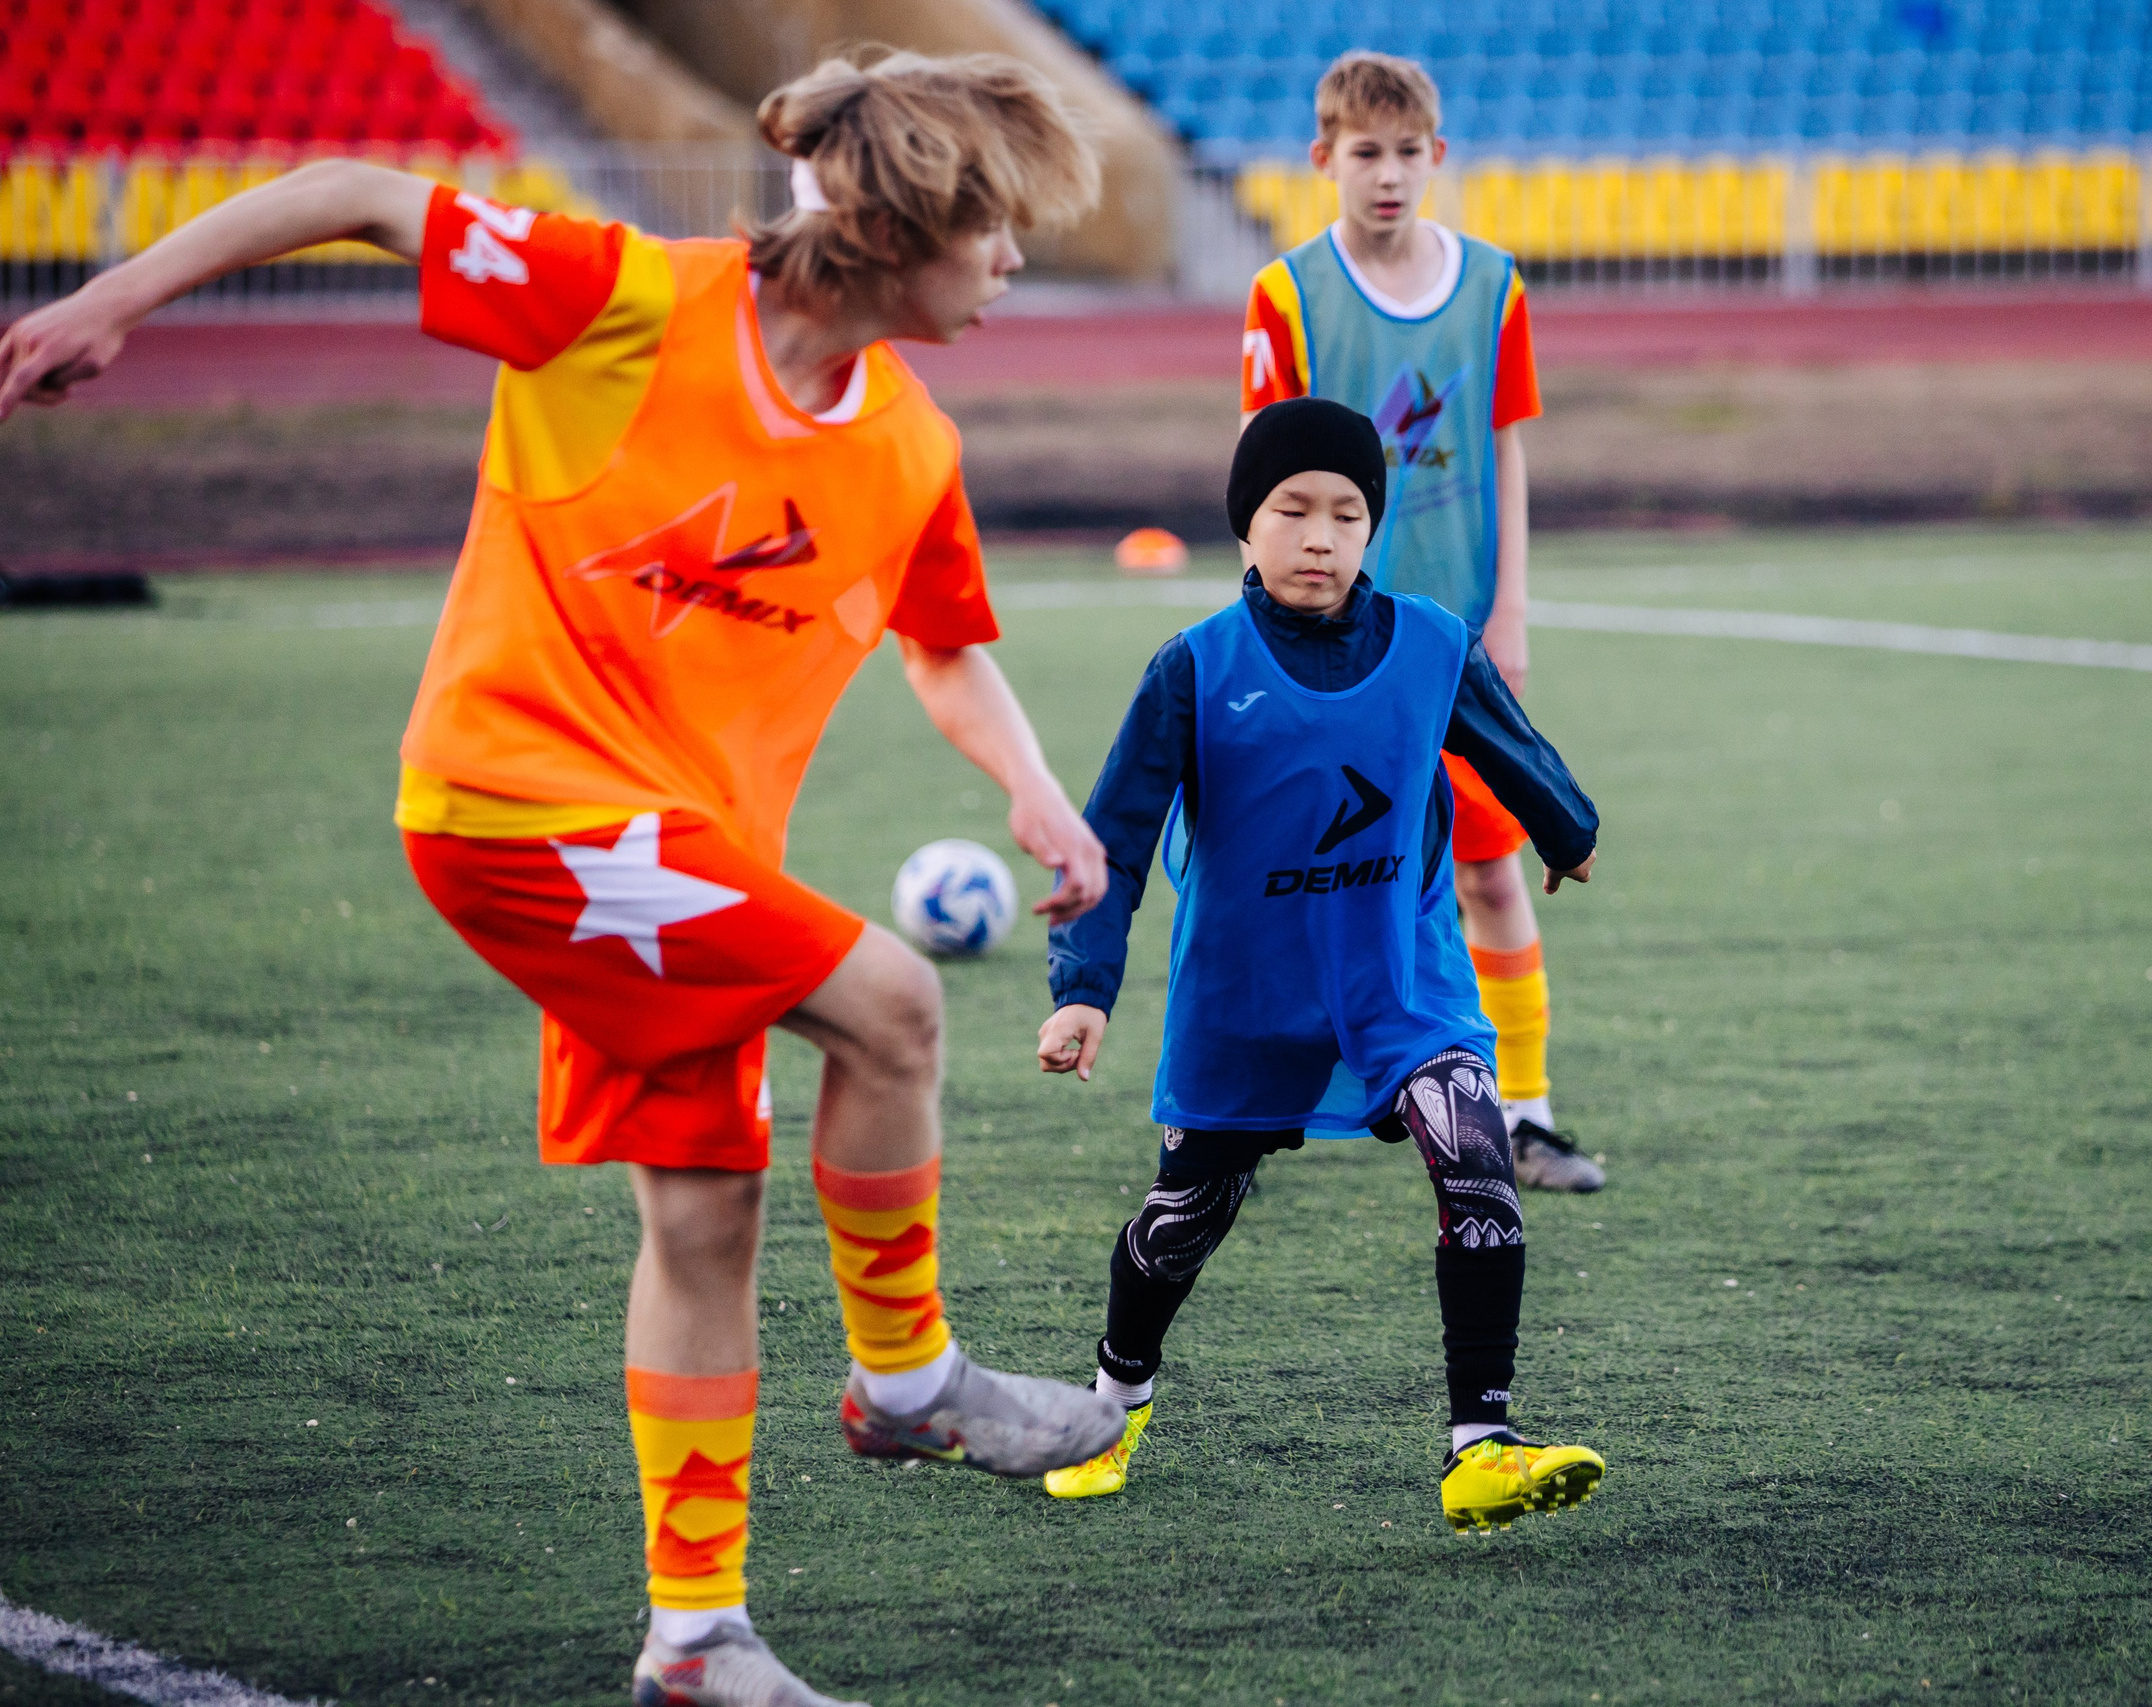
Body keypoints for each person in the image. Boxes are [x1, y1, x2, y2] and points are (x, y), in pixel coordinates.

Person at [0, 50, 1127, 1707]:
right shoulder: (624, 301)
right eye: (1004, 231)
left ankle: (697, 1637)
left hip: (667, 865)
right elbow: (361, 197)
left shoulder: (911, 446)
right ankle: (909, 1380)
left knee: (704, 1216)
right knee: (890, 1004)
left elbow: (948, 648)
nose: (1019, 263)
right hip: (512, 800)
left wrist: (1036, 787)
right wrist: (120, 293)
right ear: (901, 229)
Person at [1034, 399, 1607, 1533]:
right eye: (1291, 510)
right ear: (1245, 529)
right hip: (1245, 997)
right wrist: (1083, 992)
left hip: (1400, 974)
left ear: (1370, 531)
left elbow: (1509, 743)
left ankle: (1480, 1442)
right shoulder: (1195, 669)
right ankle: (1114, 1398)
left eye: (1347, 514)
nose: (1319, 536)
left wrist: (1566, 827)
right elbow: (1116, 840)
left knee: (1474, 1148)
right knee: (1183, 1220)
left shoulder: (1433, 643)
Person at [1239, 50, 1603, 1193]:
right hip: (1334, 643)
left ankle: (1527, 1113)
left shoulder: (1494, 285)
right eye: (1364, 153)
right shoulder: (1286, 293)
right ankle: (1237, 1113)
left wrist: (1509, 611)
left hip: (1454, 646)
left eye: (1407, 153)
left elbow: (1502, 448)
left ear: (1436, 157)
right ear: (1323, 160)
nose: (1387, 174)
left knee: (1494, 874)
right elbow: (1264, 475)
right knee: (1305, 876)